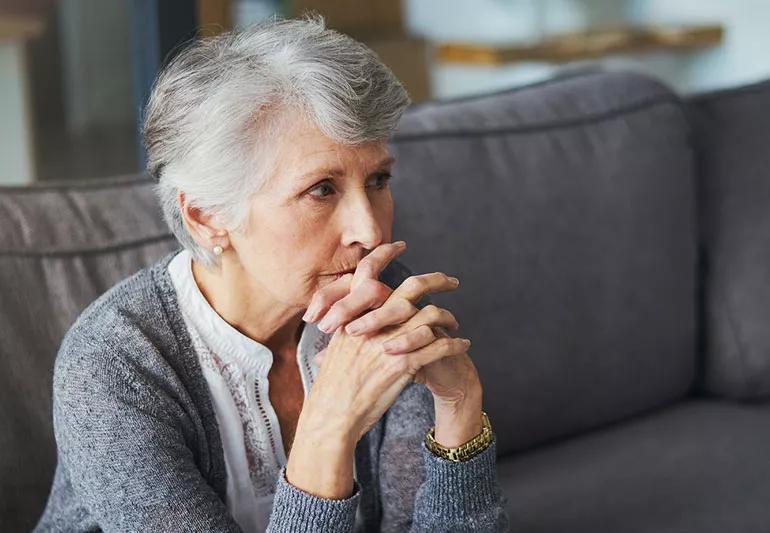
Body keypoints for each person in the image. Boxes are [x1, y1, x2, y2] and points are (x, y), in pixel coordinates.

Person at [34, 15, 510, 532]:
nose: (370, 232)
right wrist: (327, 430)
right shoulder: (113, 368)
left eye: (378, 179)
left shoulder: (382, 298)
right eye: (322, 189)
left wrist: (460, 410)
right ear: (207, 216)